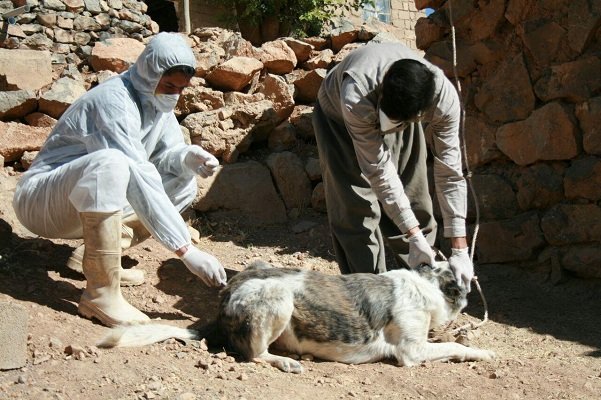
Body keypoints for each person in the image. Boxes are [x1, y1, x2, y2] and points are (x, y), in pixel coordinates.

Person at [13, 32, 227, 327]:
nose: (174, 94)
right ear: (151, 73)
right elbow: (136, 171)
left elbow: (166, 156)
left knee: (183, 181)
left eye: (181, 89)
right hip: (41, 201)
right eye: (169, 86)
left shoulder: (156, 103)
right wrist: (185, 250)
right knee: (112, 163)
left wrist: (187, 158)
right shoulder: (114, 101)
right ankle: (101, 293)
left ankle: (101, 257)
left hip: (82, 200)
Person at [313, 42, 473, 289]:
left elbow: (450, 173)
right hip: (339, 120)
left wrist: (459, 248)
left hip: (403, 114)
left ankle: (422, 290)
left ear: (422, 113)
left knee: (414, 195)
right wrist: (412, 233)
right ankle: (369, 297)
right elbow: (379, 173)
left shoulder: (443, 99)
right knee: (357, 209)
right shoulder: (356, 95)